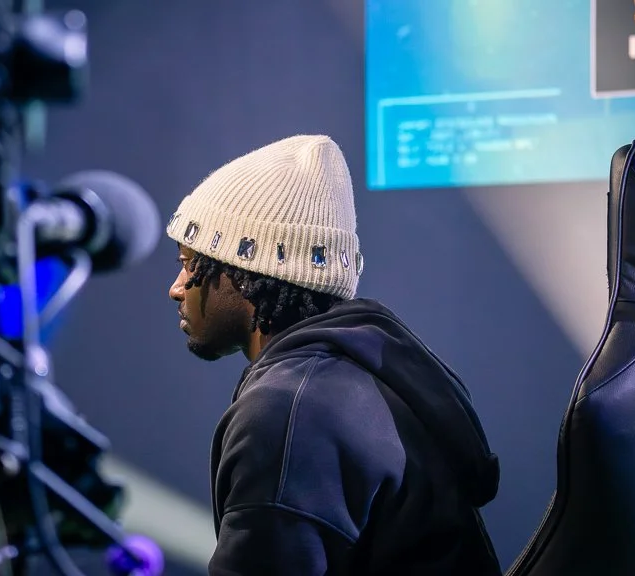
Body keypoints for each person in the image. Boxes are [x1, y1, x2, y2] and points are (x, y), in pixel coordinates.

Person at [166, 135, 502, 575]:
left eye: (191, 263)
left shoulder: (287, 413)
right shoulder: (365, 374)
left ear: (245, 273)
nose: (175, 288)